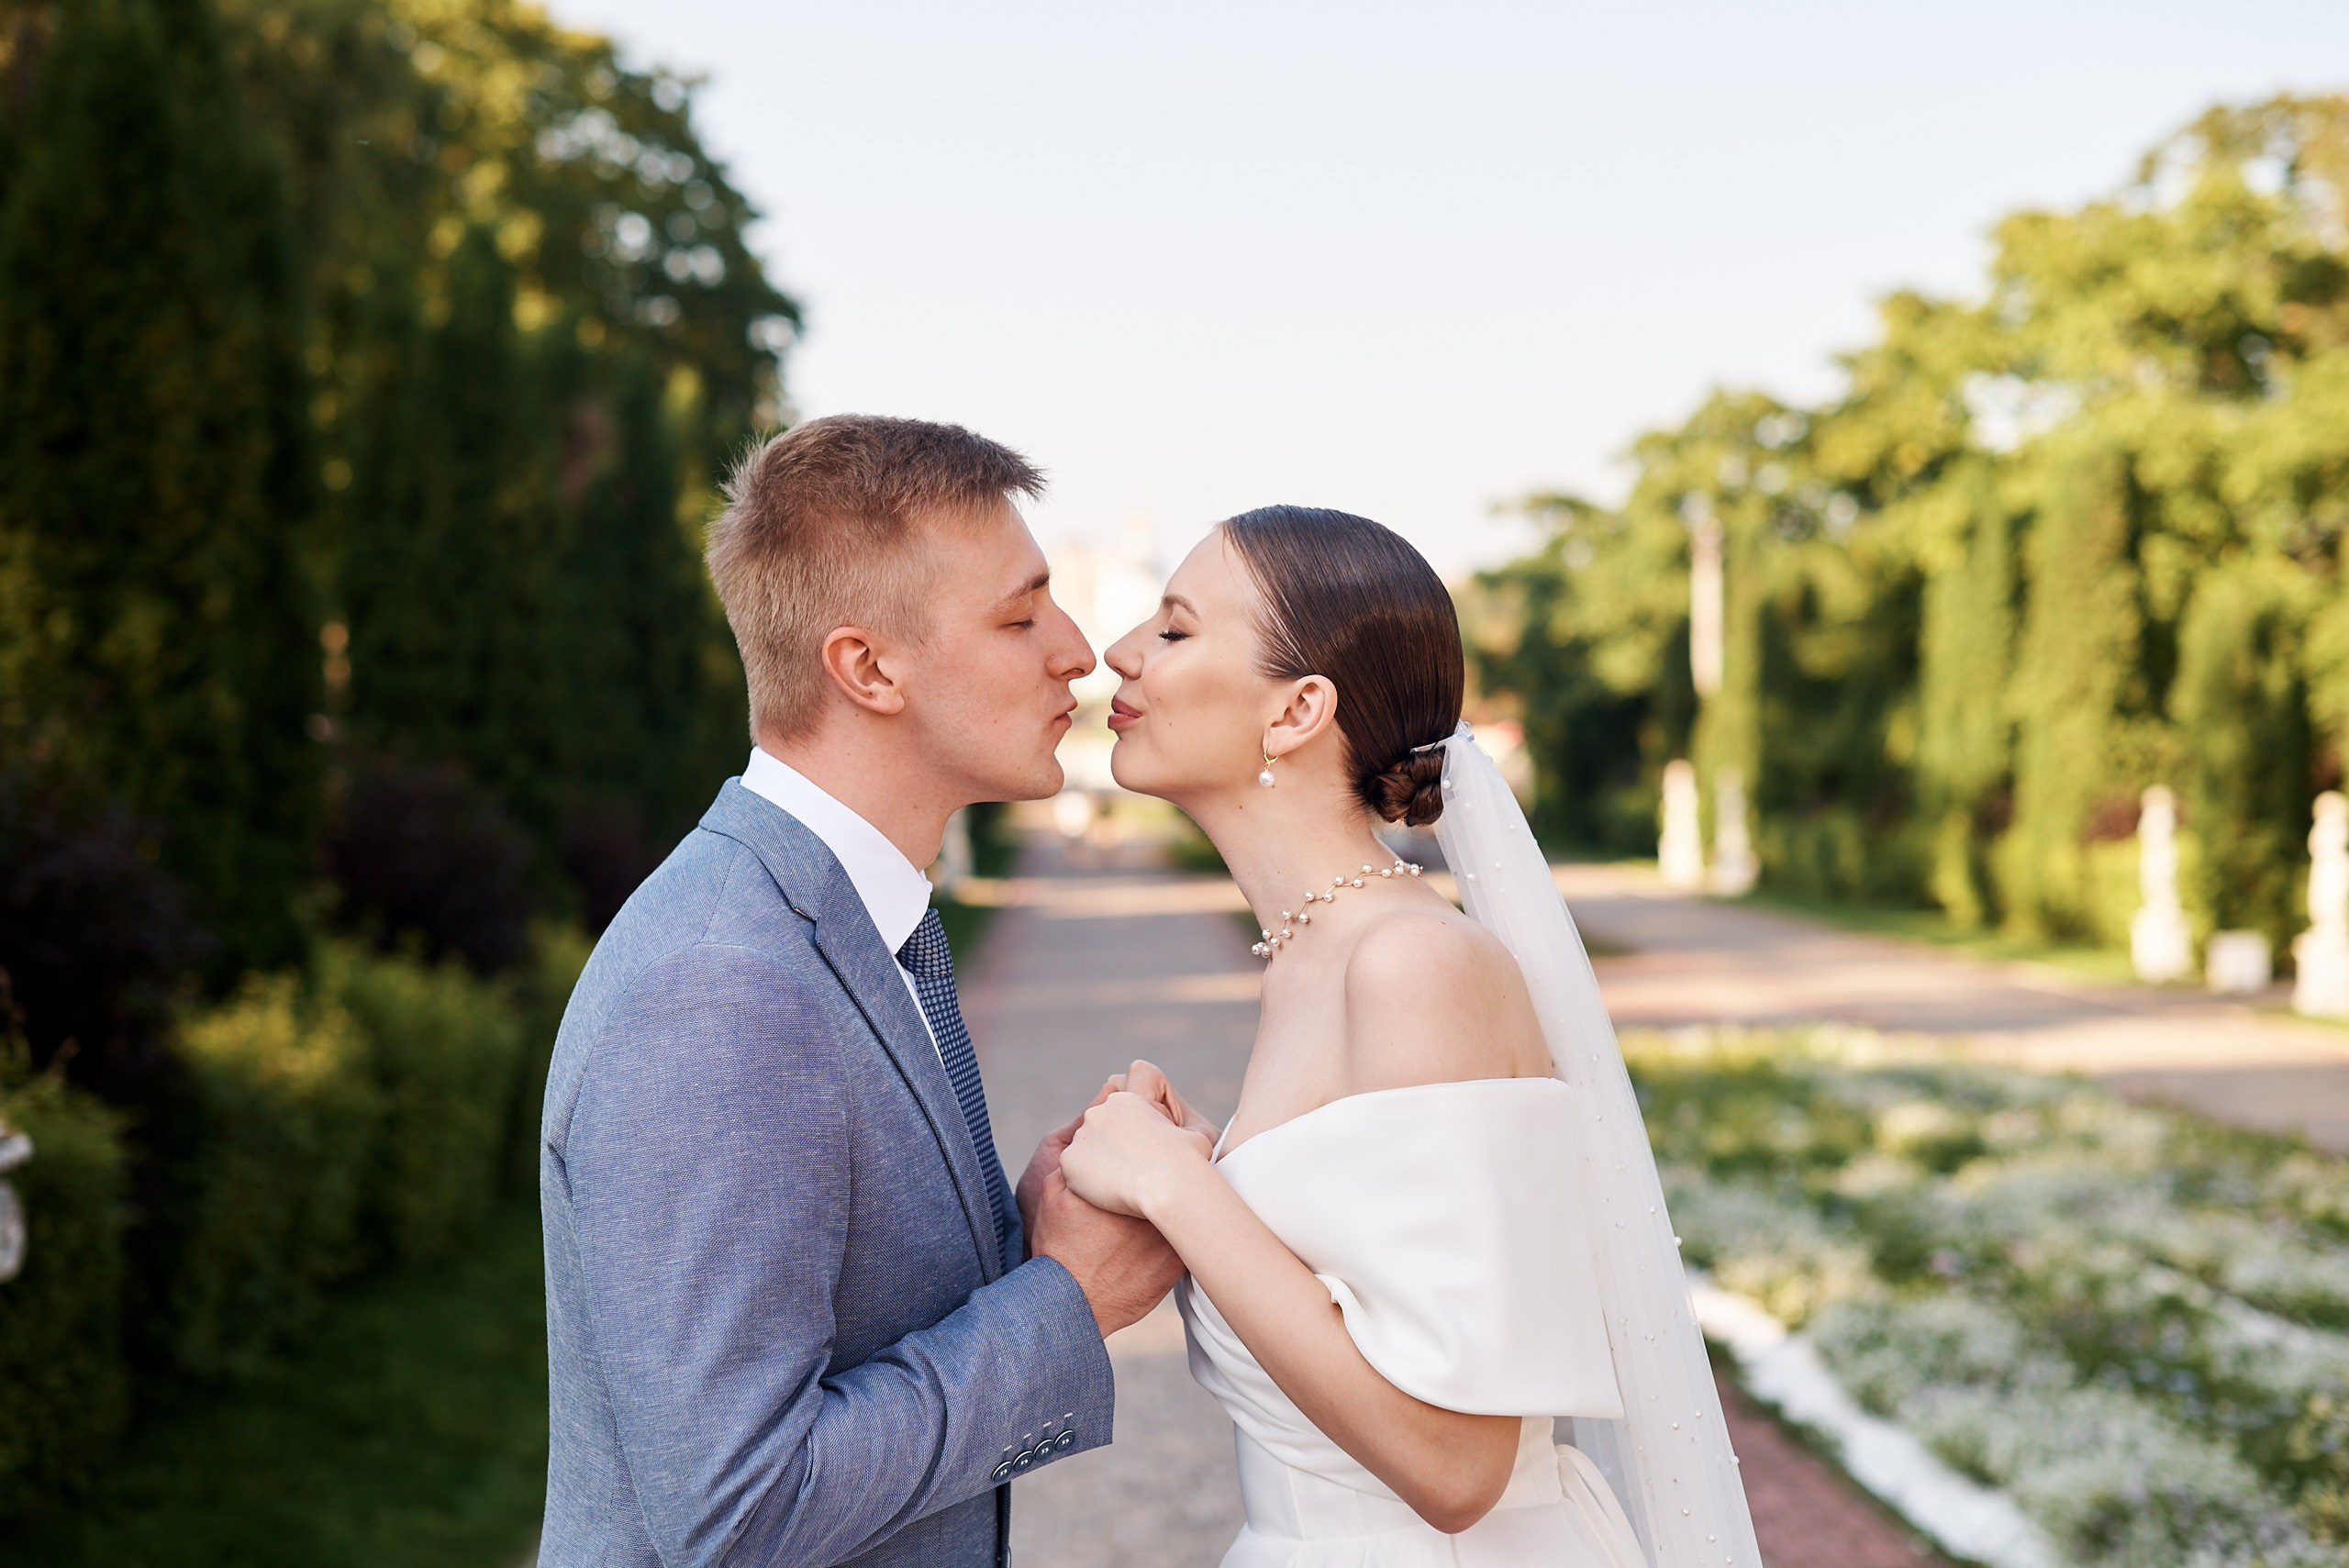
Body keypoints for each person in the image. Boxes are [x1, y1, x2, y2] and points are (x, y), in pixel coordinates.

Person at [536, 416, 1184, 1568]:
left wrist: (1020, 1239)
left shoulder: (841, 924)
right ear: (868, 667)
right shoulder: (720, 989)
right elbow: (740, 1514)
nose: (1080, 650)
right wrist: (1065, 1298)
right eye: (1020, 613)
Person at [1059, 506, 1762, 1566]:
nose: (1118, 652)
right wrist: (1209, 1177)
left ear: (1297, 709)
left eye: (1173, 628)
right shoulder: (1312, 958)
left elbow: (1457, 1466)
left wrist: (1178, 1191)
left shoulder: (1415, 963)